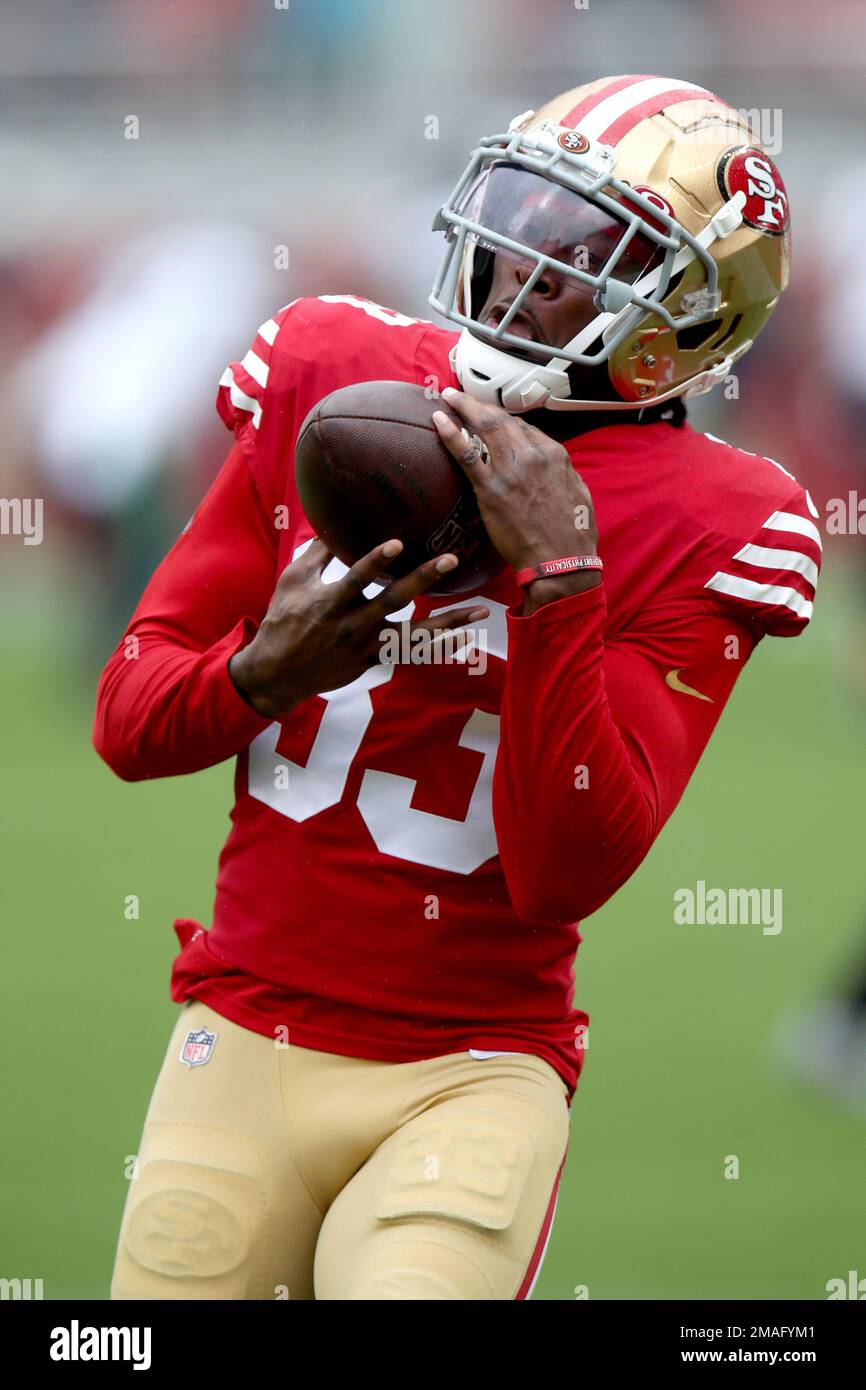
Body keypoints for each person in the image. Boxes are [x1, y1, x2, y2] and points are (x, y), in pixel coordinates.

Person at [94, 74, 820, 1301]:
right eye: (524, 216)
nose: (517, 264)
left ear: (680, 318)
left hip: (471, 1067)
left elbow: (565, 869)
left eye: (580, 250)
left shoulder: (714, 517)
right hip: (242, 1032)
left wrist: (561, 580)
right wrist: (259, 673)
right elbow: (129, 718)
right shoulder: (337, 374)